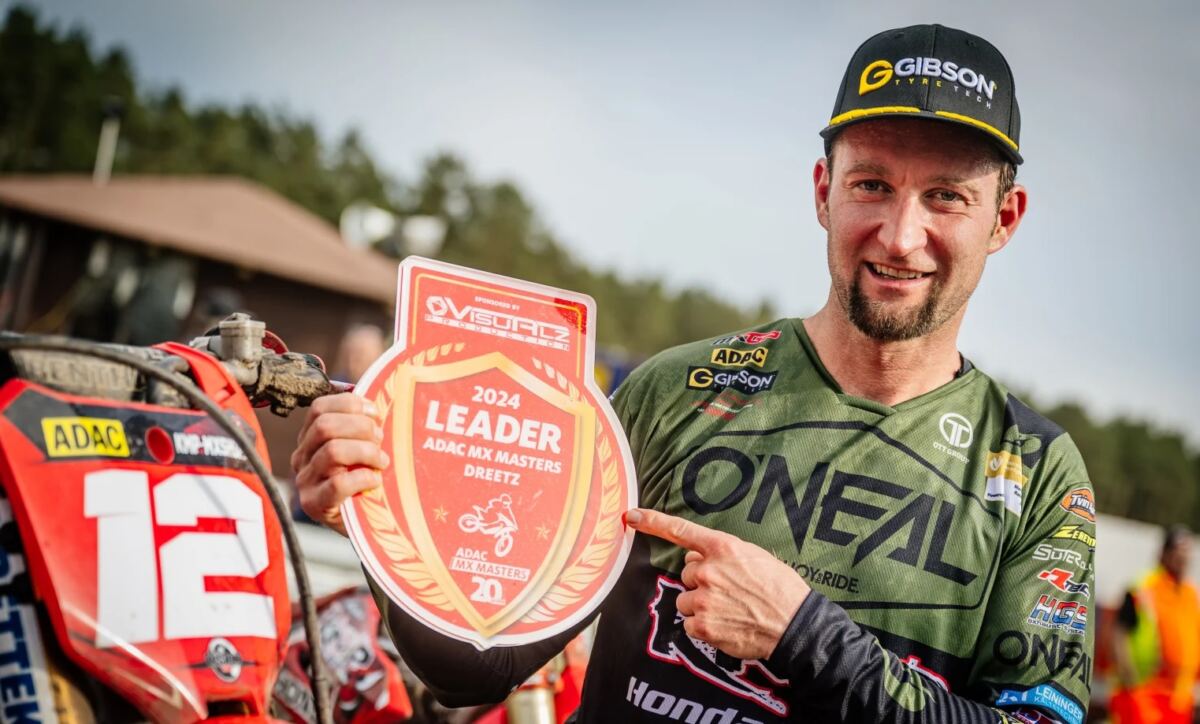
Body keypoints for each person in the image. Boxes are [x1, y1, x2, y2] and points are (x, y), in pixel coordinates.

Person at [291, 24, 1096, 723]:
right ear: (824, 192)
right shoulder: (674, 391)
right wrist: (383, 518)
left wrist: (805, 638)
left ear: (1004, 219)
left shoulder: (1038, 474)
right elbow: (476, 668)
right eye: (872, 185)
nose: (899, 234)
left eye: (946, 197)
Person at [1112, 526, 1200, 724]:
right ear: (1164, 553)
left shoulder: (1191, 593)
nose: (1184, 557)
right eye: (1178, 550)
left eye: (1188, 551)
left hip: (1179, 699)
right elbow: (1119, 634)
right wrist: (1130, 683)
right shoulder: (1143, 586)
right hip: (1144, 695)